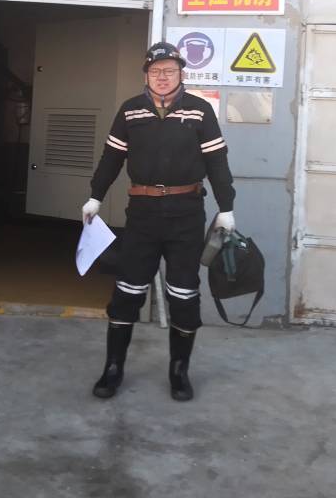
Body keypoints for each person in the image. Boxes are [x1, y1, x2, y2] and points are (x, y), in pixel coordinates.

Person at [81, 41, 235, 402]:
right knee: (127, 291)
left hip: (187, 213)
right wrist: (95, 196)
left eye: (169, 71)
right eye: (155, 71)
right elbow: (111, 158)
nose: (162, 77)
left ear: (181, 73)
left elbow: (217, 162)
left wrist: (226, 207)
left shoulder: (199, 110)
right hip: (142, 213)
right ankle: (113, 368)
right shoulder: (130, 110)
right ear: (146, 75)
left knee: (184, 293)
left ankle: (179, 372)